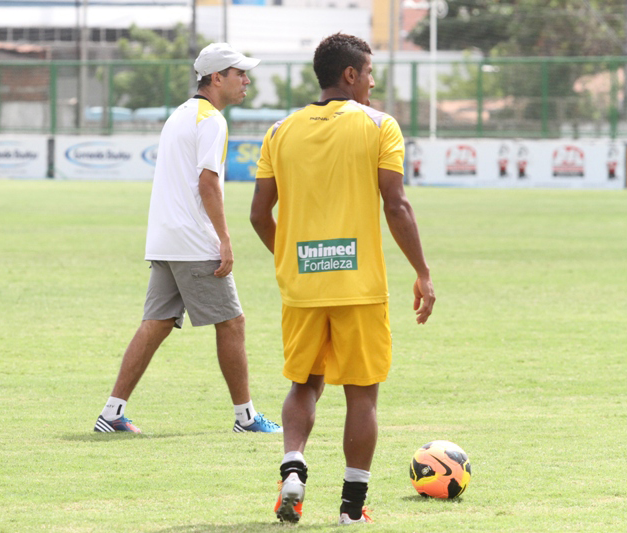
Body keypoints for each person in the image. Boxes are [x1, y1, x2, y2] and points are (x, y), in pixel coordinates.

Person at [250, 33, 435, 524]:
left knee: (304, 384)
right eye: (370, 72)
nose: (373, 82)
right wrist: (422, 272)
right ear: (350, 75)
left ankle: (293, 466)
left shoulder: (279, 130)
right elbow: (395, 204)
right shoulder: (380, 126)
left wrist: (290, 259)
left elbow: (257, 214)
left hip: (303, 285)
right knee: (362, 393)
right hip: (359, 287)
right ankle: (351, 509)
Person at [94, 43, 280, 435]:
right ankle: (246, 418)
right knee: (232, 323)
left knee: (156, 324)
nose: (246, 80)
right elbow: (207, 183)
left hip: (165, 239)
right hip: (194, 242)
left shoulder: (181, 114)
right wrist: (224, 240)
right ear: (216, 78)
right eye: (238, 73)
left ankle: (111, 413)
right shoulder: (211, 120)